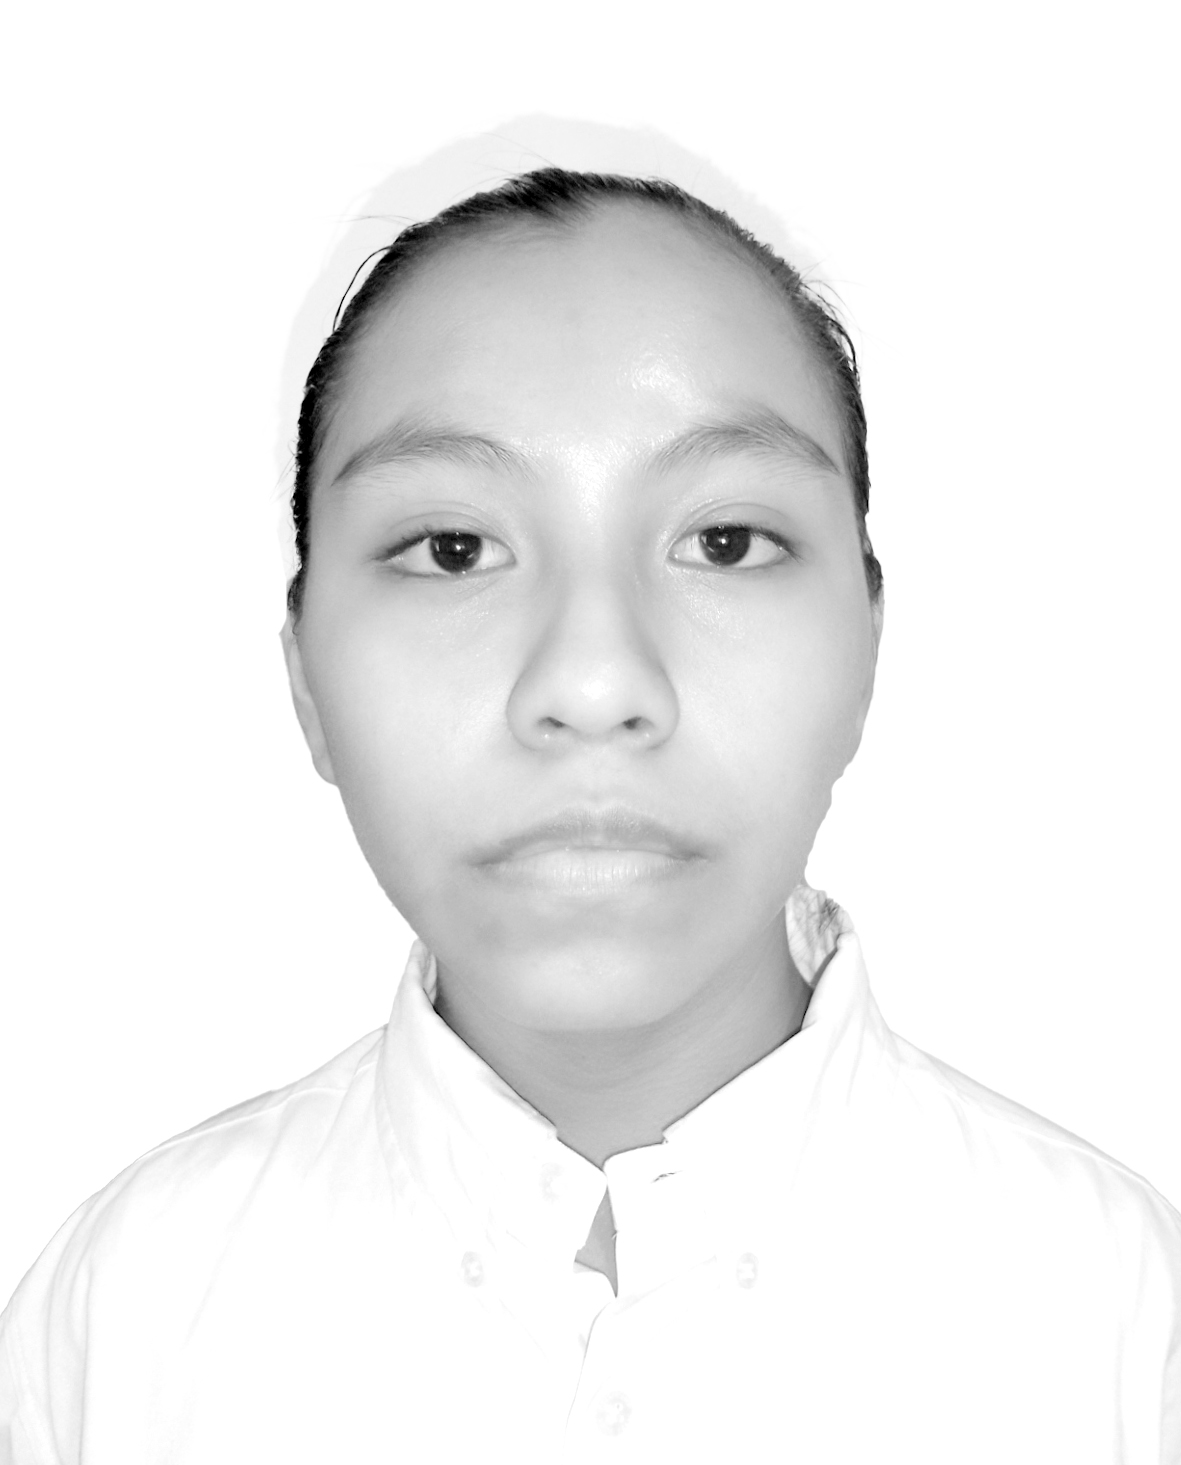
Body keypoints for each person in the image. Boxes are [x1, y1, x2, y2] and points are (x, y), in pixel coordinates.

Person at [1, 167, 1177, 1464]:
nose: (594, 681)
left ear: (866, 650)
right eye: (453, 548)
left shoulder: (1128, 1326)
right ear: (306, 682)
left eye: (724, 541)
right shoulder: (116, 1326)